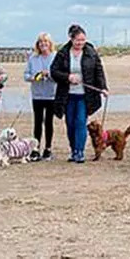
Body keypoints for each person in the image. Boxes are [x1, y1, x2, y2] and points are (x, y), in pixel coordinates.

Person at [51, 25, 108, 164]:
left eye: (83, 40)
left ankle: (80, 152)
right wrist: (68, 77)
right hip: (68, 94)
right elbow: (54, 71)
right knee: (70, 123)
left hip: (85, 94)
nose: (80, 43)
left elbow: (98, 71)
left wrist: (103, 88)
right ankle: (73, 150)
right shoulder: (63, 53)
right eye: (77, 40)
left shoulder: (91, 52)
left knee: (81, 122)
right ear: (71, 39)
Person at [24, 33, 56, 160]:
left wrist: (49, 75)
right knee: (37, 122)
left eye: (46, 42)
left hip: (51, 94)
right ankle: (35, 148)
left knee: (49, 122)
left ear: (50, 43)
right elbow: (26, 75)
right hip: (37, 95)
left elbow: (59, 75)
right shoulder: (33, 58)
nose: (43, 44)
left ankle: (48, 148)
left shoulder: (55, 57)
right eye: (41, 42)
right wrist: (33, 77)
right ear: (38, 44)